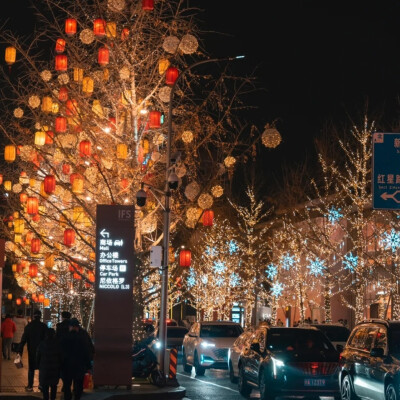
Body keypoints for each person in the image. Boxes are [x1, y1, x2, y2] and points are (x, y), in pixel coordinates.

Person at [61, 318, 92, 400]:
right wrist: (88, 366)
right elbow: (87, 352)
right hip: (79, 366)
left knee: (67, 385)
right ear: (77, 327)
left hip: (67, 366)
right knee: (78, 385)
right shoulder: (82, 338)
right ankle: (77, 398)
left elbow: (61, 352)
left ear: (70, 327)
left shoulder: (64, 338)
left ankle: (68, 398)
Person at [19, 309, 48, 391]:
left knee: (31, 368)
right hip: (42, 351)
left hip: (31, 350)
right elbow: (47, 339)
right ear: (40, 316)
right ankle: (41, 385)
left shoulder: (29, 326)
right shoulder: (44, 326)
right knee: (42, 368)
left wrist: (20, 351)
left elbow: (23, 339)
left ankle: (30, 385)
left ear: (33, 316)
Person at [37, 328, 63, 400]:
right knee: (54, 386)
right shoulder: (58, 344)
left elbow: (38, 356)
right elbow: (61, 356)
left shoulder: (42, 344)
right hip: (55, 368)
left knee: (45, 387)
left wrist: (38, 365)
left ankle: (46, 398)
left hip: (44, 368)